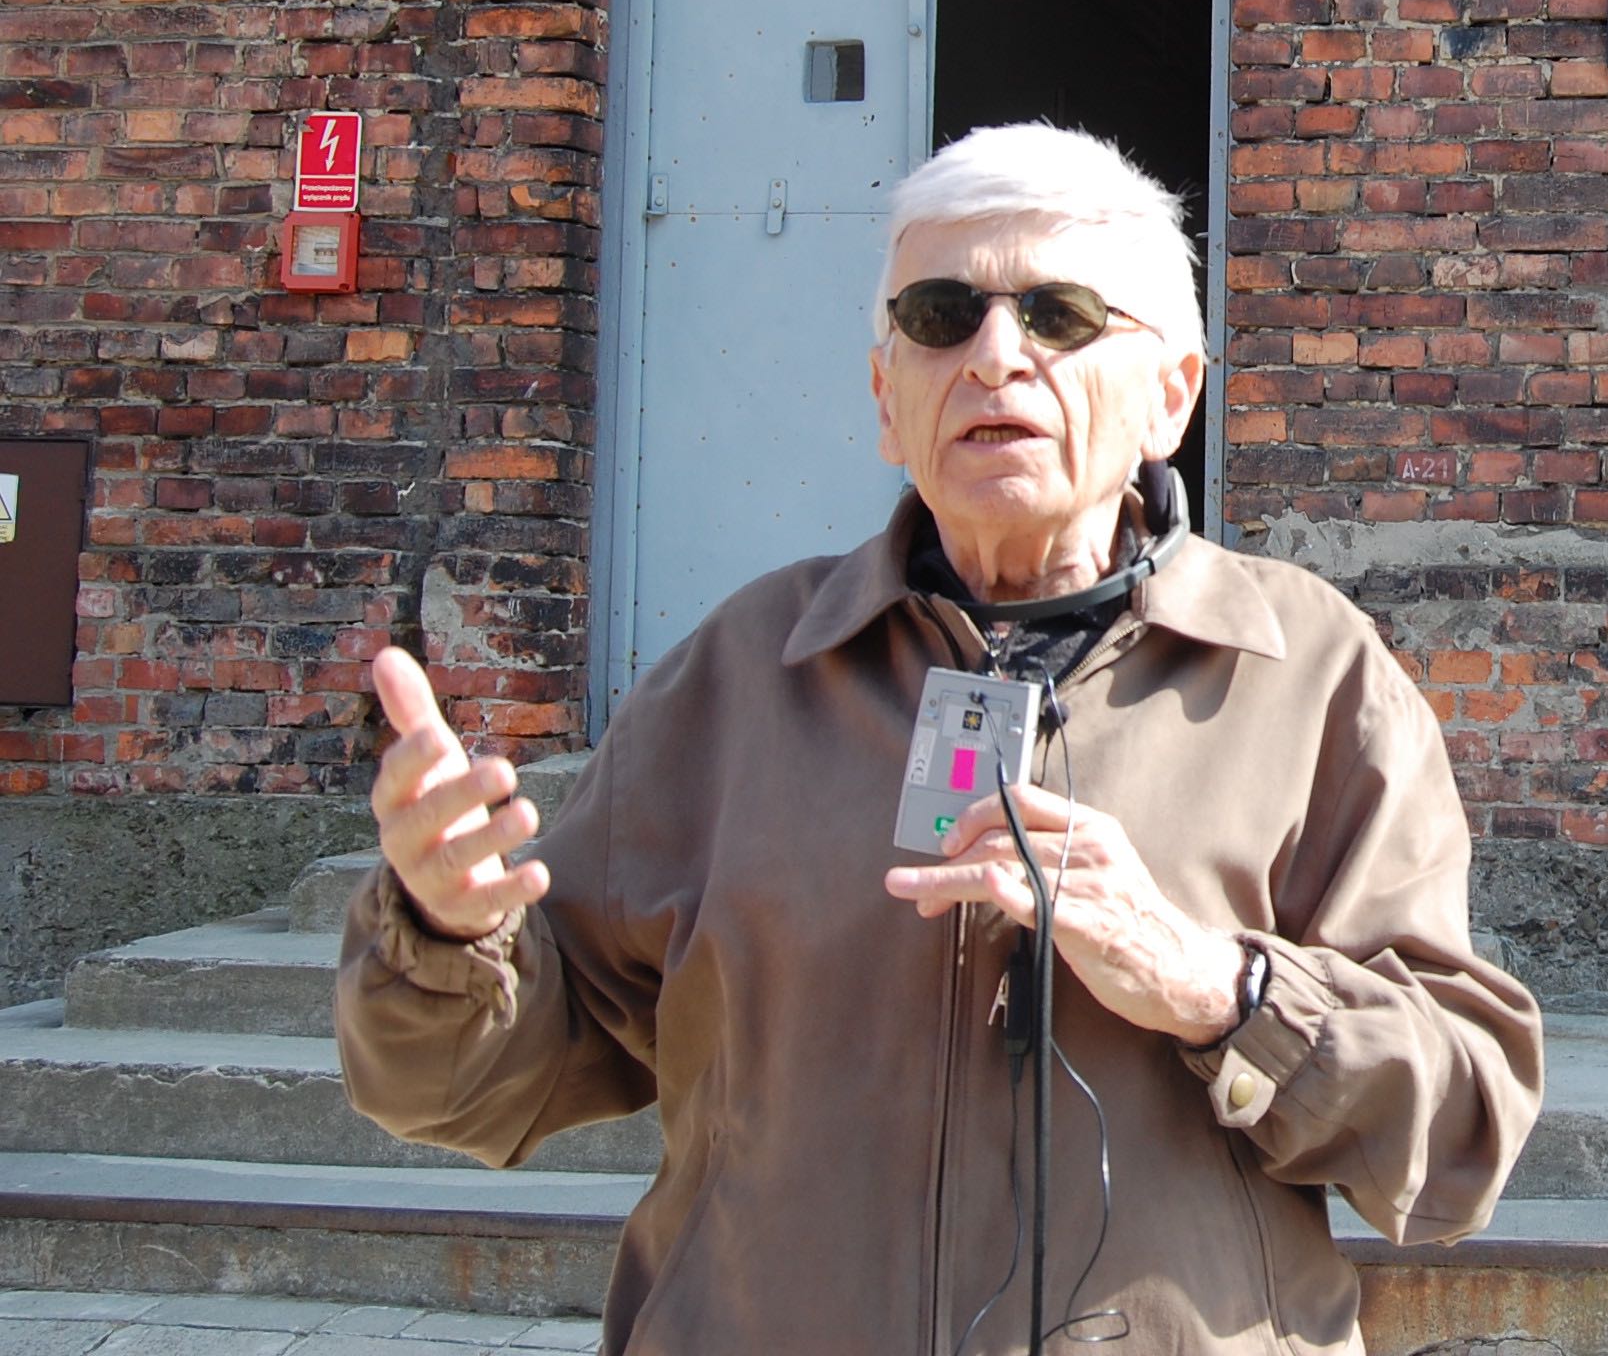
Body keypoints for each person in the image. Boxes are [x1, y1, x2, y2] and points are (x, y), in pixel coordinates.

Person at [336, 123, 1543, 1355]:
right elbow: (469, 1089)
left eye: (1062, 313)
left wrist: (1214, 987)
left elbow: (1459, 1141)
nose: (995, 355)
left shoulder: (1310, 675)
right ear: (885, 398)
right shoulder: (743, 676)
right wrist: (447, 930)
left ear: (1170, 394)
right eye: (940, 312)